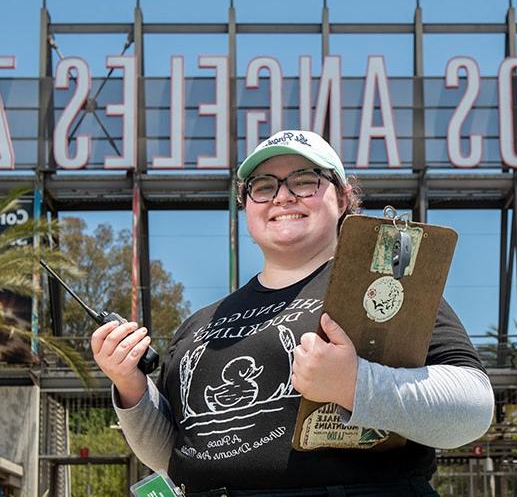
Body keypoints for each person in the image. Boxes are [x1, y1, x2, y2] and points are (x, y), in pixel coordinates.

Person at [91, 130, 494, 496]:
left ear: (343, 198)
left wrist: (354, 383)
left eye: (305, 181)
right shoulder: (199, 324)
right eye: (263, 187)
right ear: (246, 207)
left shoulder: (382, 287)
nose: (283, 196)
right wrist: (131, 388)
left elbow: (473, 410)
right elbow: (173, 456)